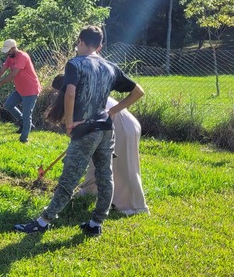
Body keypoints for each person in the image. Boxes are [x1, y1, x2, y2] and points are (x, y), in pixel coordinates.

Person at [15, 26, 144, 237]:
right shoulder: (111, 67)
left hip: (85, 129)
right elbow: (139, 91)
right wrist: (112, 111)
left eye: (78, 43)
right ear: (100, 45)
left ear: (81, 42)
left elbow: (70, 93)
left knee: (70, 177)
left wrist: (68, 123)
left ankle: (43, 222)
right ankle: (96, 223)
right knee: (105, 176)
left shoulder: (76, 64)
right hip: (105, 129)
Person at [47, 76, 150, 216]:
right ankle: (90, 190)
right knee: (96, 159)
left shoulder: (83, 95)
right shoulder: (84, 93)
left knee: (124, 166)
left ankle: (134, 207)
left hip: (122, 126)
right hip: (111, 125)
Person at [0, 39, 41, 143]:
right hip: (20, 89)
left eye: (8, 51)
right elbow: (1, 71)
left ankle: (24, 139)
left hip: (31, 90)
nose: (7, 53)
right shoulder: (10, 57)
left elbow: (14, 74)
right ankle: (24, 123)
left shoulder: (23, 56)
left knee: (27, 114)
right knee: (8, 105)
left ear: (13, 48)